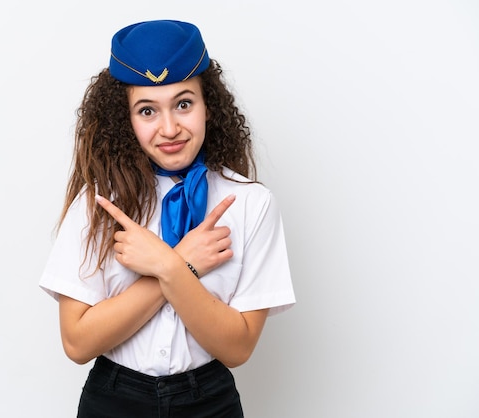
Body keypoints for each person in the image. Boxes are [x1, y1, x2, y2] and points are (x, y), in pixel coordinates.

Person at [39, 19, 295, 417]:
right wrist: (184, 263)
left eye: (184, 103)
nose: (170, 128)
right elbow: (77, 343)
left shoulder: (250, 204)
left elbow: (238, 347)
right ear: (125, 119)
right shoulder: (99, 203)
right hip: (113, 399)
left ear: (209, 105)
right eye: (147, 111)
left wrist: (167, 266)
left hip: (209, 400)